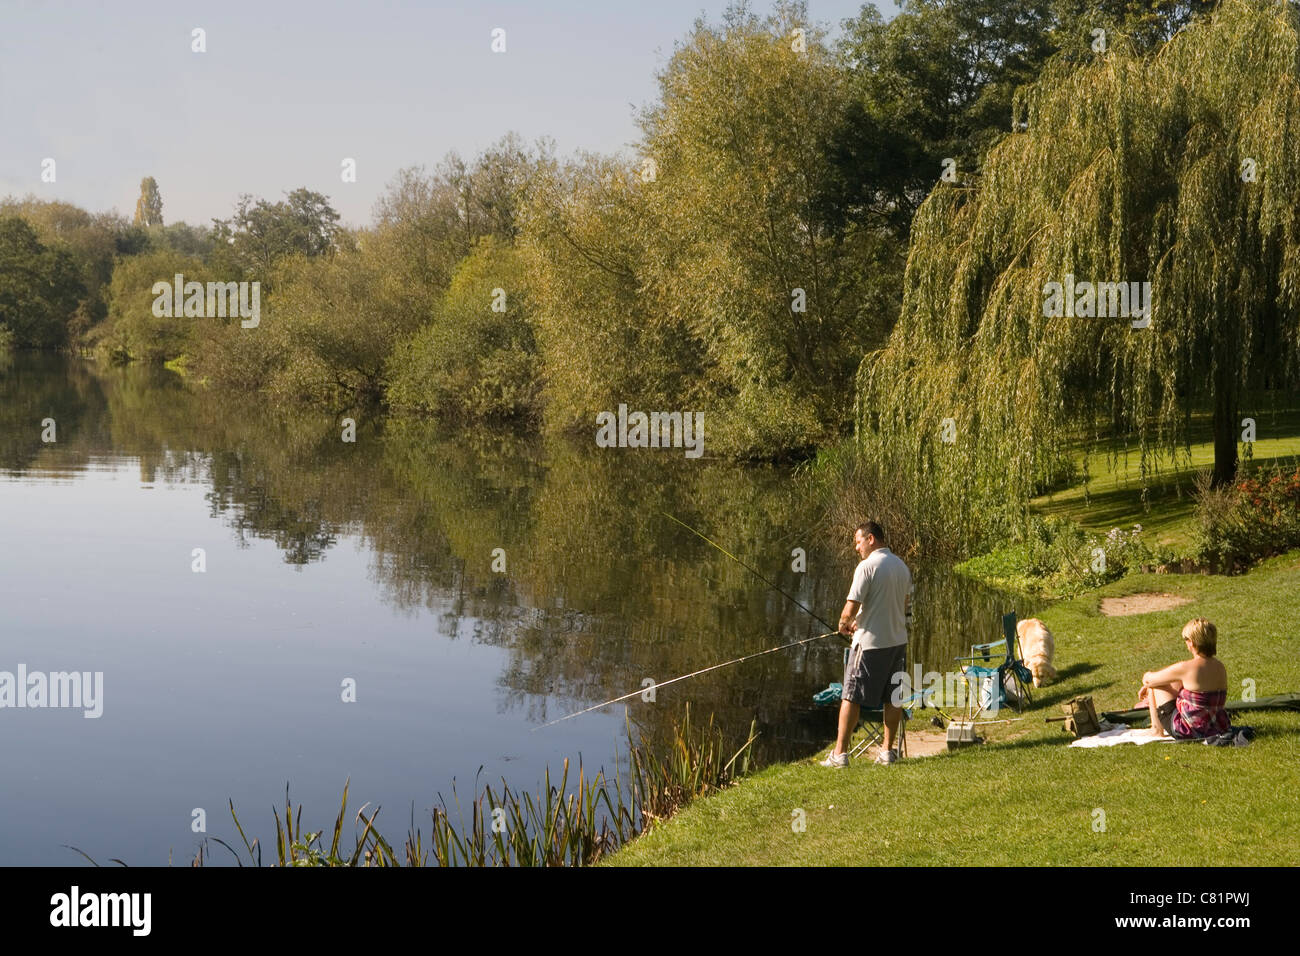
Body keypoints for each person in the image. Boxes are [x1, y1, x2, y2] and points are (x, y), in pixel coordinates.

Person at [820, 521, 913, 768]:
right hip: (897, 642)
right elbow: (904, 607)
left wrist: (843, 624)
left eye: (858, 542)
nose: (856, 548)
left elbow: (850, 607)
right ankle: (887, 752)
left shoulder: (866, 567)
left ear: (871, 539)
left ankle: (839, 755)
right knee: (893, 697)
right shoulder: (902, 566)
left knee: (850, 695)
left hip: (870, 645)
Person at [1137, 618, 1230, 740]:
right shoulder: (1219, 666)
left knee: (1156, 686)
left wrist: (1148, 683)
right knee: (1173, 681)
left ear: (1191, 642)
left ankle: (1156, 730)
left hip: (1190, 730)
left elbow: (1149, 679)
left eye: (1185, 639)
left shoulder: (1186, 668)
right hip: (1217, 726)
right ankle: (1155, 728)